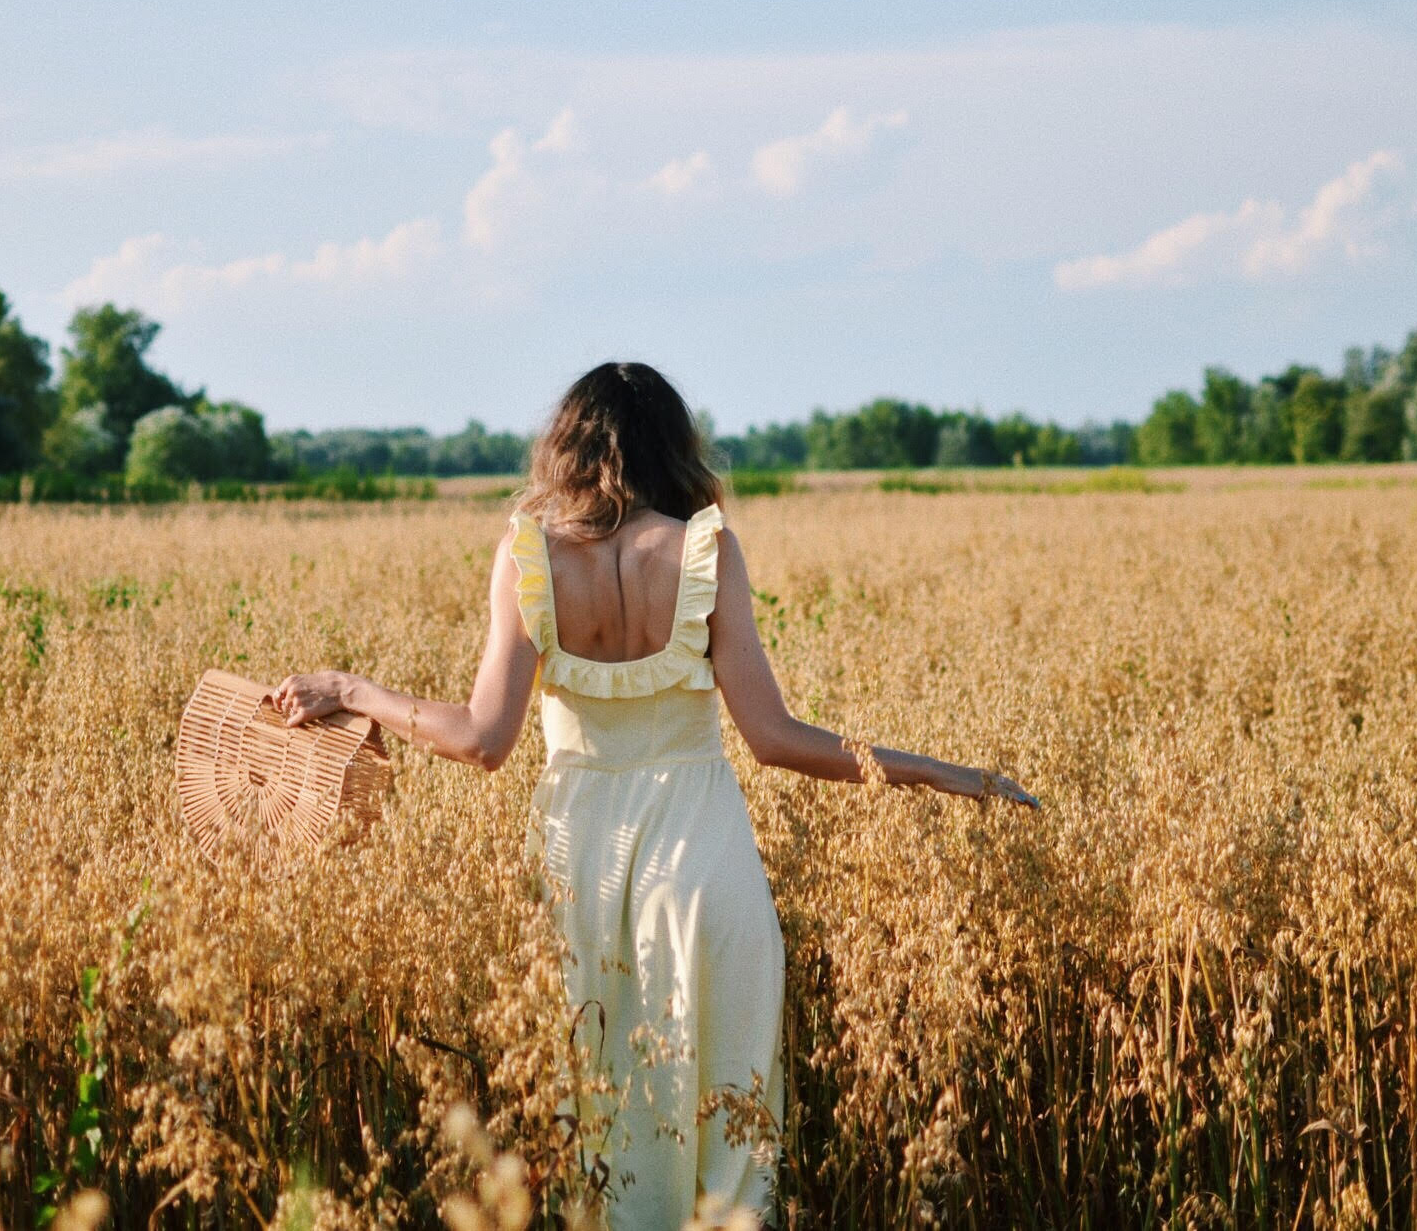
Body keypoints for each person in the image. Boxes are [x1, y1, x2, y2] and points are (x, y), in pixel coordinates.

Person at [270, 362, 1037, 1228]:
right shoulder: (706, 547)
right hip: (705, 863)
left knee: (596, 1118)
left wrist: (354, 689)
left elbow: (483, 741)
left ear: (566, 444)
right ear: (673, 444)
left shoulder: (528, 554)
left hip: (575, 869)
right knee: (730, 1129)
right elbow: (776, 737)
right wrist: (937, 770)